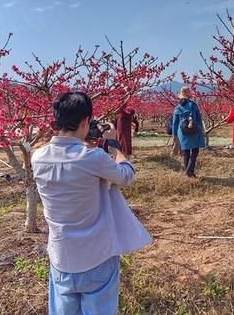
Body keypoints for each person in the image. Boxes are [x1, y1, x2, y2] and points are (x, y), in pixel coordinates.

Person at [31, 92, 151, 315]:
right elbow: (126, 175)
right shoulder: (92, 158)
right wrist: (114, 146)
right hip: (96, 257)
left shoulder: (38, 158)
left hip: (61, 258)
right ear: (85, 121)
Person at [171, 86, 205, 177]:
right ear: (189, 96)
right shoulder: (193, 105)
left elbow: (174, 123)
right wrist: (200, 129)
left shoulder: (177, 108)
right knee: (195, 151)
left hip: (182, 132)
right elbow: (198, 119)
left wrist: (174, 135)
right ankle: (190, 171)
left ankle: (188, 172)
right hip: (194, 130)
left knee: (185, 152)